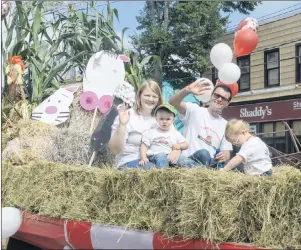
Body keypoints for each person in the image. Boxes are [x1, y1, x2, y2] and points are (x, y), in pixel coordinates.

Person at [108, 80, 181, 169]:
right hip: (129, 160)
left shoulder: (162, 118)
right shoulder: (126, 116)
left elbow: (177, 142)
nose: (151, 99)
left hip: (157, 160)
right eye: (147, 95)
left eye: (154, 96)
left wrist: (177, 151)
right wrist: (122, 125)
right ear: (139, 96)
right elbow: (115, 150)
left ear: (159, 99)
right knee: (154, 170)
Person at [169, 78, 233, 168]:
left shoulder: (226, 125)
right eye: (216, 95)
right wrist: (187, 90)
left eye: (223, 98)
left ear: (227, 103)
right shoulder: (195, 110)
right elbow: (173, 102)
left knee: (238, 166)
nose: (219, 99)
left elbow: (226, 153)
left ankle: (204, 172)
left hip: (210, 164)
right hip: (189, 160)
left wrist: (222, 157)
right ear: (211, 95)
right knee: (203, 154)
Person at [139, 103, 196, 168]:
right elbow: (144, 146)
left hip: (170, 156)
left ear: (173, 119)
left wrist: (179, 146)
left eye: (168, 119)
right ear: (156, 119)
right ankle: (165, 173)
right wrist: (143, 158)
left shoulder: (175, 133)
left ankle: (200, 169)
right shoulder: (152, 132)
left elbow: (186, 144)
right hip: (155, 155)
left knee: (184, 160)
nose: (164, 121)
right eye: (161, 119)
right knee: (161, 156)